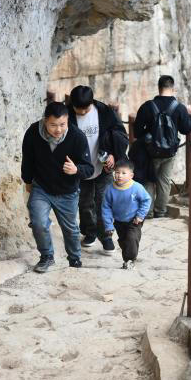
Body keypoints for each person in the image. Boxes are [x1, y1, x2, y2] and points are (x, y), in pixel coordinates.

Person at [21, 102, 94, 272]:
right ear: (45, 120)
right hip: (42, 187)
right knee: (38, 222)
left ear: (68, 120)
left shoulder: (77, 136)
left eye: (62, 124)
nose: (58, 130)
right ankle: (46, 257)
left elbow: (88, 168)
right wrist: (27, 181)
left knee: (70, 229)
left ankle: (74, 260)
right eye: (53, 125)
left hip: (67, 191)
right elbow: (27, 159)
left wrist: (76, 169)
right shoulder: (33, 132)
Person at [67, 85, 129, 254]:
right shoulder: (67, 115)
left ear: (91, 103)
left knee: (104, 203)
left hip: (103, 166)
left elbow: (120, 134)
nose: (80, 112)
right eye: (77, 109)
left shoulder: (104, 112)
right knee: (85, 203)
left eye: (84, 109)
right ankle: (90, 232)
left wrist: (113, 155)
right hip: (80, 168)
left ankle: (106, 237)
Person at [133, 75, 191, 218]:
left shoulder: (147, 106)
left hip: (150, 152)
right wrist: (189, 116)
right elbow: (187, 129)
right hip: (169, 153)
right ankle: (160, 211)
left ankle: (146, 212)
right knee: (164, 181)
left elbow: (137, 132)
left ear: (158, 88)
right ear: (173, 89)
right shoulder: (179, 108)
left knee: (148, 180)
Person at [102, 159, 151, 270]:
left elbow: (146, 200)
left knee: (132, 238)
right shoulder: (110, 189)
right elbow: (106, 208)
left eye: (124, 173)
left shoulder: (137, 187)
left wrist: (140, 215)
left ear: (131, 175)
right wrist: (108, 225)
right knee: (123, 240)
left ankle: (130, 260)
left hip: (134, 220)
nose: (120, 175)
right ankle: (127, 259)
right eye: (117, 172)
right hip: (119, 221)